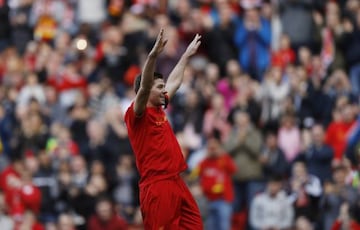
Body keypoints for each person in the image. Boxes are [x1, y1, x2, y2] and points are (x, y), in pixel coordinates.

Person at [124, 29, 203, 229]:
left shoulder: (159, 108)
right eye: (159, 87)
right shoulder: (137, 114)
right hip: (157, 185)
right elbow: (144, 88)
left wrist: (185, 55)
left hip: (175, 181)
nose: (164, 91)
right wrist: (153, 55)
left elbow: (175, 82)